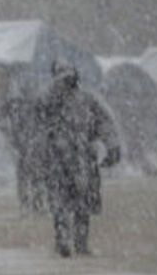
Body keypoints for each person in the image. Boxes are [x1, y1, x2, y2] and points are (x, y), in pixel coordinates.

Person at [36, 61, 121, 257]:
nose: (66, 80)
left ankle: (79, 242)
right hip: (58, 158)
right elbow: (38, 126)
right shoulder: (49, 100)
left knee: (82, 202)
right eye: (62, 76)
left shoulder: (87, 99)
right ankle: (63, 240)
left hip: (83, 158)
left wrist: (112, 146)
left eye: (69, 76)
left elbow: (104, 122)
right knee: (60, 201)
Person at [0, 93, 46, 213]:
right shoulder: (31, 103)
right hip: (29, 145)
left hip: (25, 145)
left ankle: (29, 203)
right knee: (32, 174)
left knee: (27, 174)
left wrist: (9, 134)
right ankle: (33, 202)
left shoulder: (16, 104)